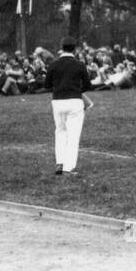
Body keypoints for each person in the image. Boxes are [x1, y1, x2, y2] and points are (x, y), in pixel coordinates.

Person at [45, 36, 93, 176]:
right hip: (74, 101)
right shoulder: (79, 65)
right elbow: (87, 85)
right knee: (73, 136)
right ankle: (68, 167)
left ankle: (59, 163)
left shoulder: (53, 64)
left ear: (62, 47)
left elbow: (47, 85)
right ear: (75, 48)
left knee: (60, 132)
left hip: (58, 102)